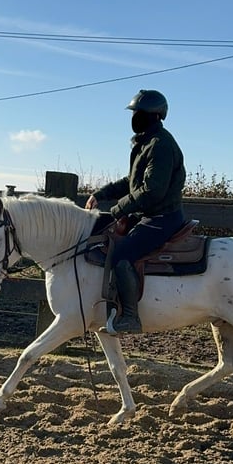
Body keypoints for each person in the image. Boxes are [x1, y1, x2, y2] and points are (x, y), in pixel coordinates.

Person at [85, 89, 187, 334]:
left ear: (155, 116)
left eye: (140, 113)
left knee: (122, 253)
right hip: (149, 216)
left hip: (162, 219)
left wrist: (118, 209)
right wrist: (100, 194)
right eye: (134, 113)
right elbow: (131, 182)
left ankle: (131, 316)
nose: (135, 118)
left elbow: (152, 191)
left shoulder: (160, 145)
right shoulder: (146, 143)